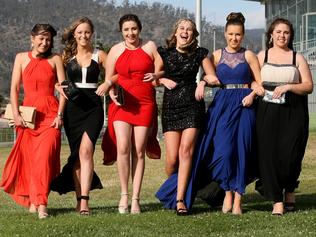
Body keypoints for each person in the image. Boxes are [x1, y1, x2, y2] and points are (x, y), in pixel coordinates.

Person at [95, 14, 161, 214]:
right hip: (122, 104)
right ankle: (124, 194)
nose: (130, 33)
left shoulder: (150, 47)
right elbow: (110, 78)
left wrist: (157, 75)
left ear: (139, 29)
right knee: (123, 147)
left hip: (145, 102)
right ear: (121, 31)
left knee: (139, 150)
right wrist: (111, 87)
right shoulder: (115, 50)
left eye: (133, 29)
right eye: (126, 29)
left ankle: (135, 199)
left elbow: (162, 70)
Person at [0, 24, 66, 219]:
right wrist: (17, 114)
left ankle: (42, 203)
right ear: (32, 38)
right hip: (28, 118)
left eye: (48, 39)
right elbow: (14, 88)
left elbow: (63, 89)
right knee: (30, 162)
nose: (45, 43)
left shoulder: (56, 59)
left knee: (44, 160)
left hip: (50, 117)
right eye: (41, 38)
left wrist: (59, 115)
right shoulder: (20, 58)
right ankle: (33, 199)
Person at [155, 18, 219, 215]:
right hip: (171, 107)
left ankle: (181, 199)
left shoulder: (200, 54)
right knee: (173, 159)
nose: (185, 31)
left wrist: (202, 83)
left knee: (186, 152)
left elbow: (214, 78)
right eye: (182, 28)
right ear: (175, 32)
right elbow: (153, 79)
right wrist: (163, 79)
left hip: (192, 105)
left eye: (189, 29)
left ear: (193, 35)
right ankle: (174, 189)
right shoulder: (163, 53)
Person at [256, 18, 313, 215]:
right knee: (268, 155)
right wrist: (256, 88)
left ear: (291, 36)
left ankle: (289, 189)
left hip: (293, 111)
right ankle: (276, 200)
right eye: (278, 32)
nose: (282, 35)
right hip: (266, 112)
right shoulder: (261, 56)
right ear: (271, 34)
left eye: (286, 32)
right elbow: (253, 81)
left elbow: (308, 86)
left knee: (291, 154)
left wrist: (289, 86)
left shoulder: (298, 58)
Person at [50, 17, 107, 215]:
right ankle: (79, 200)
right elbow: (60, 84)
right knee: (76, 157)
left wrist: (108, 83)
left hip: (93, 107)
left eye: (87, 32)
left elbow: (116, 74)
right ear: (74, 34)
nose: (84, 35)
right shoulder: (65, 57)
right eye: (80, 32)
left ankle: (85, 202)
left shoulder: (100, 55)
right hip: (72, 108)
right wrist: (58, 89)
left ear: (92, 33)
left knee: (86, 151)